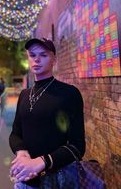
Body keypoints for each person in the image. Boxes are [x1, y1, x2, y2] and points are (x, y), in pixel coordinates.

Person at [9, 38, 85, 189]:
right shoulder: (24, 95)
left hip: (58, 180)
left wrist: (40, 162)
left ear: (54, 60)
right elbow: (15, 134)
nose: (36, 59)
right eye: (32, 55)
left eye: (43, 55)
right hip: (25, 180)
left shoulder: (68, 94)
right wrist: (22, 154)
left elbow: (77, 147)